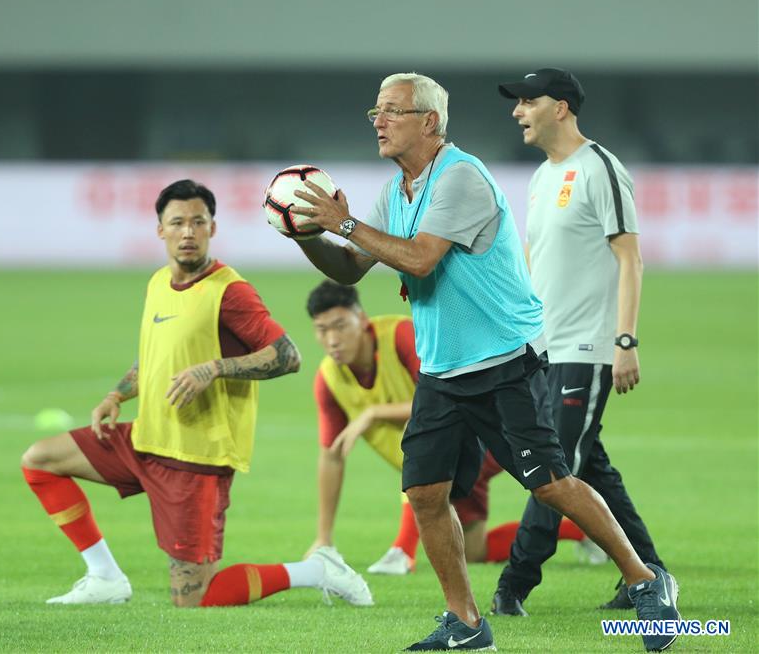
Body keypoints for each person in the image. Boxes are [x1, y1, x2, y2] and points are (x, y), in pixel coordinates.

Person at [289, 72, 681, 651]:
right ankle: (467, 624)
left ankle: (648, 582)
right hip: (444, 370)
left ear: (430, 121)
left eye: (391, 111)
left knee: (549, 482)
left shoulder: (461, 177)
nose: (378, 120)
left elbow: (419, 259)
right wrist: (305, 234)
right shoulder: (394, 190)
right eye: (375, 110)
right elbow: (351, 267)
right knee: (424, 493)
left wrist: (343, 224)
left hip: (503, 360)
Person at [20, 179, 373, 610]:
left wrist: (215, 368)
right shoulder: (157, 283)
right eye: (178, 223)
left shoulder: (229, 291)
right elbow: (158, 355)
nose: (188, 232)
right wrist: (117, 395)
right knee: (40, 461)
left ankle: (316, 570)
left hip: (196, 458)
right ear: (160, 230)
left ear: (213, 228)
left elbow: (288, 355)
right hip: (145, 436)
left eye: (198, 223)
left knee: (197, 599)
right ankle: (104, 576)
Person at [492, 68, 667, 615]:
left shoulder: (601, 169)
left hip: (586, 349)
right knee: (588, 468)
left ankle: (512, 587)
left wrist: (625, 340)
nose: (518, 111)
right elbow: (534, 264)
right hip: (543, 349)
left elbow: (630, 258)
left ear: (561, 107)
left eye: (527, 101)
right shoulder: (543, 175)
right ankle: (651, 573)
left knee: (552, 471)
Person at [304, 279, 590, 572]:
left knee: (424, 452)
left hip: (482, 434)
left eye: (340, 326)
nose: (332, 340)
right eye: (322, 330)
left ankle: (402, 550)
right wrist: (323, 538)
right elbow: (331, 455)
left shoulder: (400, 335)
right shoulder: (328, 380)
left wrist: (374, 412)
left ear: (361, 319)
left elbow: (439, 396)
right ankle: (579, 531)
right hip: (452, 448)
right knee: (473, 550)